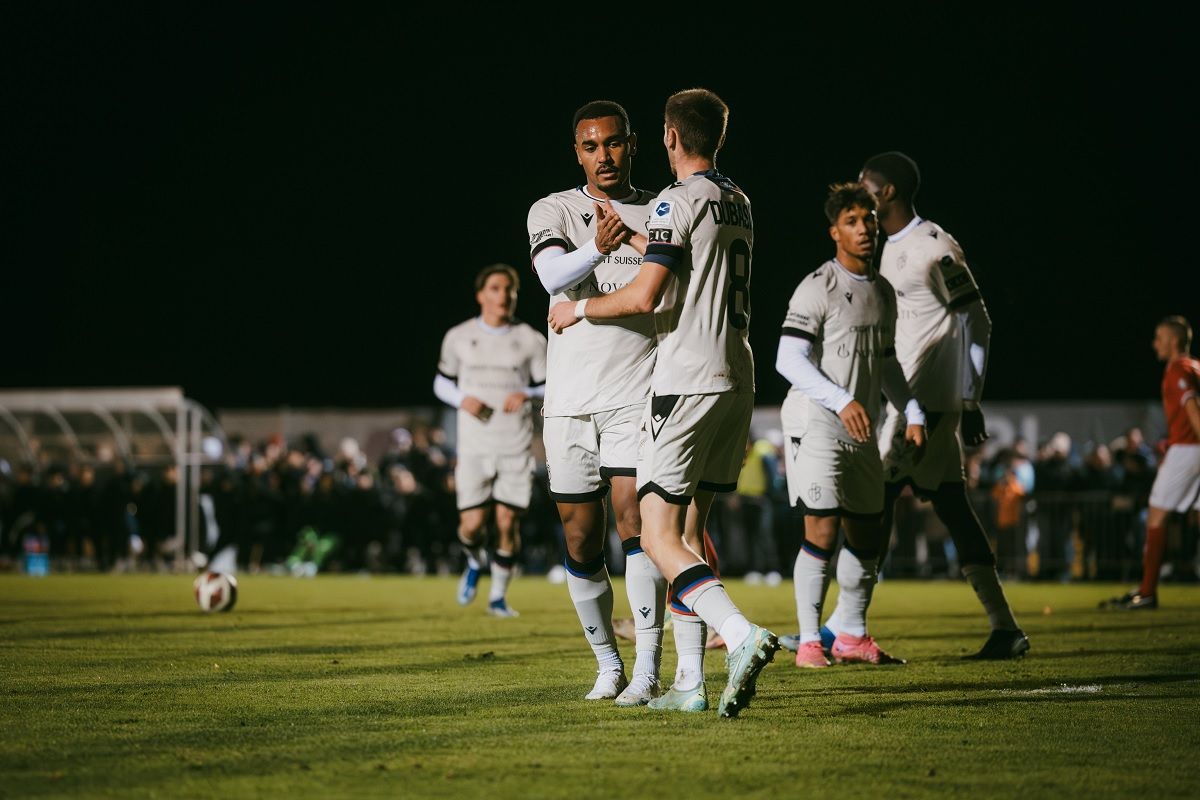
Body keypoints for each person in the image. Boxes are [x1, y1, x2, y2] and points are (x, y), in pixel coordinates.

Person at [548, 88, 779, 717]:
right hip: (739, 375)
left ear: (668, 138)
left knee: (656, 535)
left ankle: (738, 634)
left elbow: (645, 295)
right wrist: (626, 235)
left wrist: (578, 308)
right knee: (692, 531)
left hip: (685, 380)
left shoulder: (673, 202)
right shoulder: (739, 200)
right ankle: (688, 684)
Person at [819, 152, 1029, 660]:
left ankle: (844, 629)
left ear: (886, 191)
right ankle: (1005, 628)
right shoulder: (885, 248)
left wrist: (968, 398)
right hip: (908, 404)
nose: (859, 190)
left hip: (926, 407)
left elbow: (976, 320)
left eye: (866, 184)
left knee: (875, 502)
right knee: (951, 507)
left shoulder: (933, 246)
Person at [525, 99, 666, 705]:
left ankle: (648, 669)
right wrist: (600, 250)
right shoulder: (554, 208)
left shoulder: (663, 209)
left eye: (613, 143)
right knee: (581, 539)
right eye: (591, 146)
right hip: (569, 404)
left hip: (636, 395)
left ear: (631, 144)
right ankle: (607, 662)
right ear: (576, 151)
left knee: (637, 523)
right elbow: (553, 278)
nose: (603, 155)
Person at [776, 183, 924, 668]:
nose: (864, 230)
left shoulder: (882, 290)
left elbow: (887, 362)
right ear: (834, 231)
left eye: (870, 221)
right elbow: (788, 359)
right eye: (853, 222)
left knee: (867, 533)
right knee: (821, 529)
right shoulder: (817, 286)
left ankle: (852, 635)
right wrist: (841, 401)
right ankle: (810, 642)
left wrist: (914, 411)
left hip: (861, 427)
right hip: (816, 422)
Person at [434, 264, 547, 617]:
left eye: (510, 289)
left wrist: (527, 392)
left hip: (514, 443)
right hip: (474, 446)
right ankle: (473, 559)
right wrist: (460, 399)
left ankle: (498, 597)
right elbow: (441, 382)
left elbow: (550, 383)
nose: (504, 295)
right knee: (471, 526)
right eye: (496, 288)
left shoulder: (530, 339)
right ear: (481, 294)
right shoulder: (459, 336)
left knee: (507, 522)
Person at [1103, 316, 1200, 609]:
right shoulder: (1195, 366)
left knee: (1156, 515)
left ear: (1173, 341)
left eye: (1159, 337)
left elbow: (1193, 410)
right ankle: (1146, 590)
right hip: (1185, 446)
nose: (1154, 343)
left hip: (1189, 449)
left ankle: (1147, 592)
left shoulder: (1178, 369)